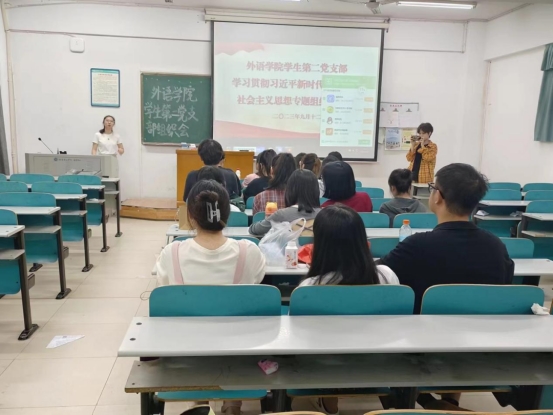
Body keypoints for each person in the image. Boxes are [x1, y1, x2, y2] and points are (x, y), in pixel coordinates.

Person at [155, 180, 265, 415]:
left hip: (185, 350)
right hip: (239, 349)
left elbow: (164, 294)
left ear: (190, 216)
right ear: (228, 213)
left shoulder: (171, 252)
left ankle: (199, 403)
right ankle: (233, 405)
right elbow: (256, 281)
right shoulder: (249, 251)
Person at [299, 205, 398, 415]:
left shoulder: (310, 288)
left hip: (323, 364)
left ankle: (329, 398)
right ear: (362, 239)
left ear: (320, 244)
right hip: (379, 360)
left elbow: (298, 335)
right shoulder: (386, 276)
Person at [379, 163, 514, 311]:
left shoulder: (416, 246)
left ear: (437, 196)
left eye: (432, 187)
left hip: (425, 325)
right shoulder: (497, 247)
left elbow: (376, 274)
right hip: (482, 325)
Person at [249, 169, 321, 236]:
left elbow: (254, 230)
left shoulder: (281, 215)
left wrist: (268, 218)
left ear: (290, 190)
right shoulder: (323, 215)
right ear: (316, 190)